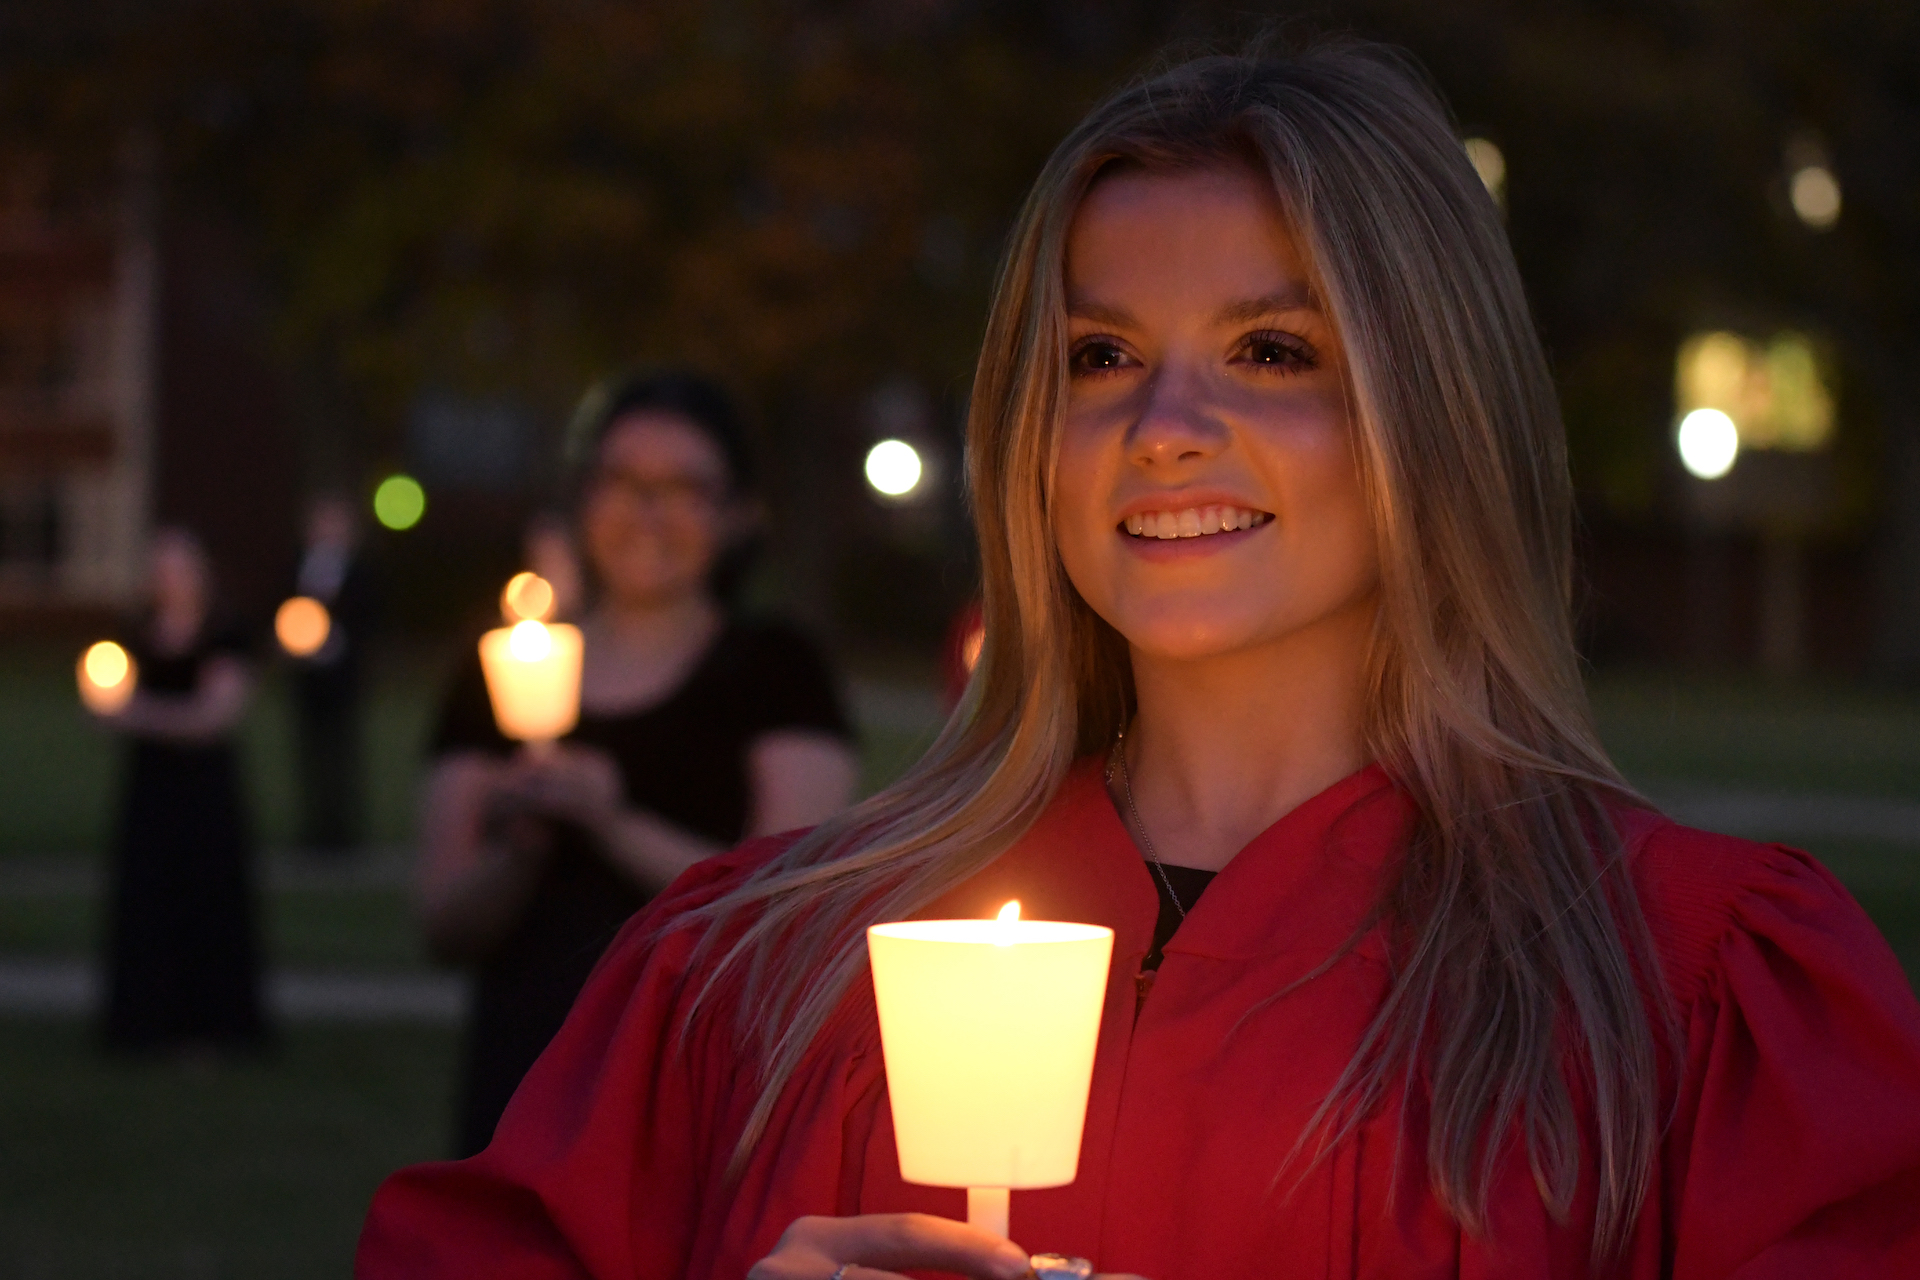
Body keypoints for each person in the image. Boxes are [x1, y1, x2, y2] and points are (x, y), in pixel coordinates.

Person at [358, 46, 1920, 1278]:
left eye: (1274, 351)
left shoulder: (1684, 993)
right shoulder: (764, 971)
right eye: (1099, 356)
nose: (1162, 425)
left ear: (1437, 414)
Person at [418, 370, 860, 1158]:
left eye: (684, 487)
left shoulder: (775, 671)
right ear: (583, 497)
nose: (647, 511)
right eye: (622, 479)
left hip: (692, 1085)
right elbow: (444, 925)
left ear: (738, 515)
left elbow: (785, 912)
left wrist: (610, 823)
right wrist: (518, 850)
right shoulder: (493, 675)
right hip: (526, 1073)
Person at [95, 527, 268, 1055]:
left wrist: (135, 715)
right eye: (159, 569)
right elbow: (104, 693)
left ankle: (210, 1024)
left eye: (178, 568)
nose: (168, 580)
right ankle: (145, 1022)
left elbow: (213, 717)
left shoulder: (225, 633)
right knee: (148, 899)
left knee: (205, 900)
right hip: (150, 791)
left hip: (203, 795)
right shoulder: (135, 633)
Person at [290, 493, 379, 855]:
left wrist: (341, 640)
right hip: (308, 679)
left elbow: (371, 619)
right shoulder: (298, 566)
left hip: (344, 679)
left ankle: (346, 832)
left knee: (344, 754)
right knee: (309, 754)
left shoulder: (360, 570)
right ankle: (314, 828)